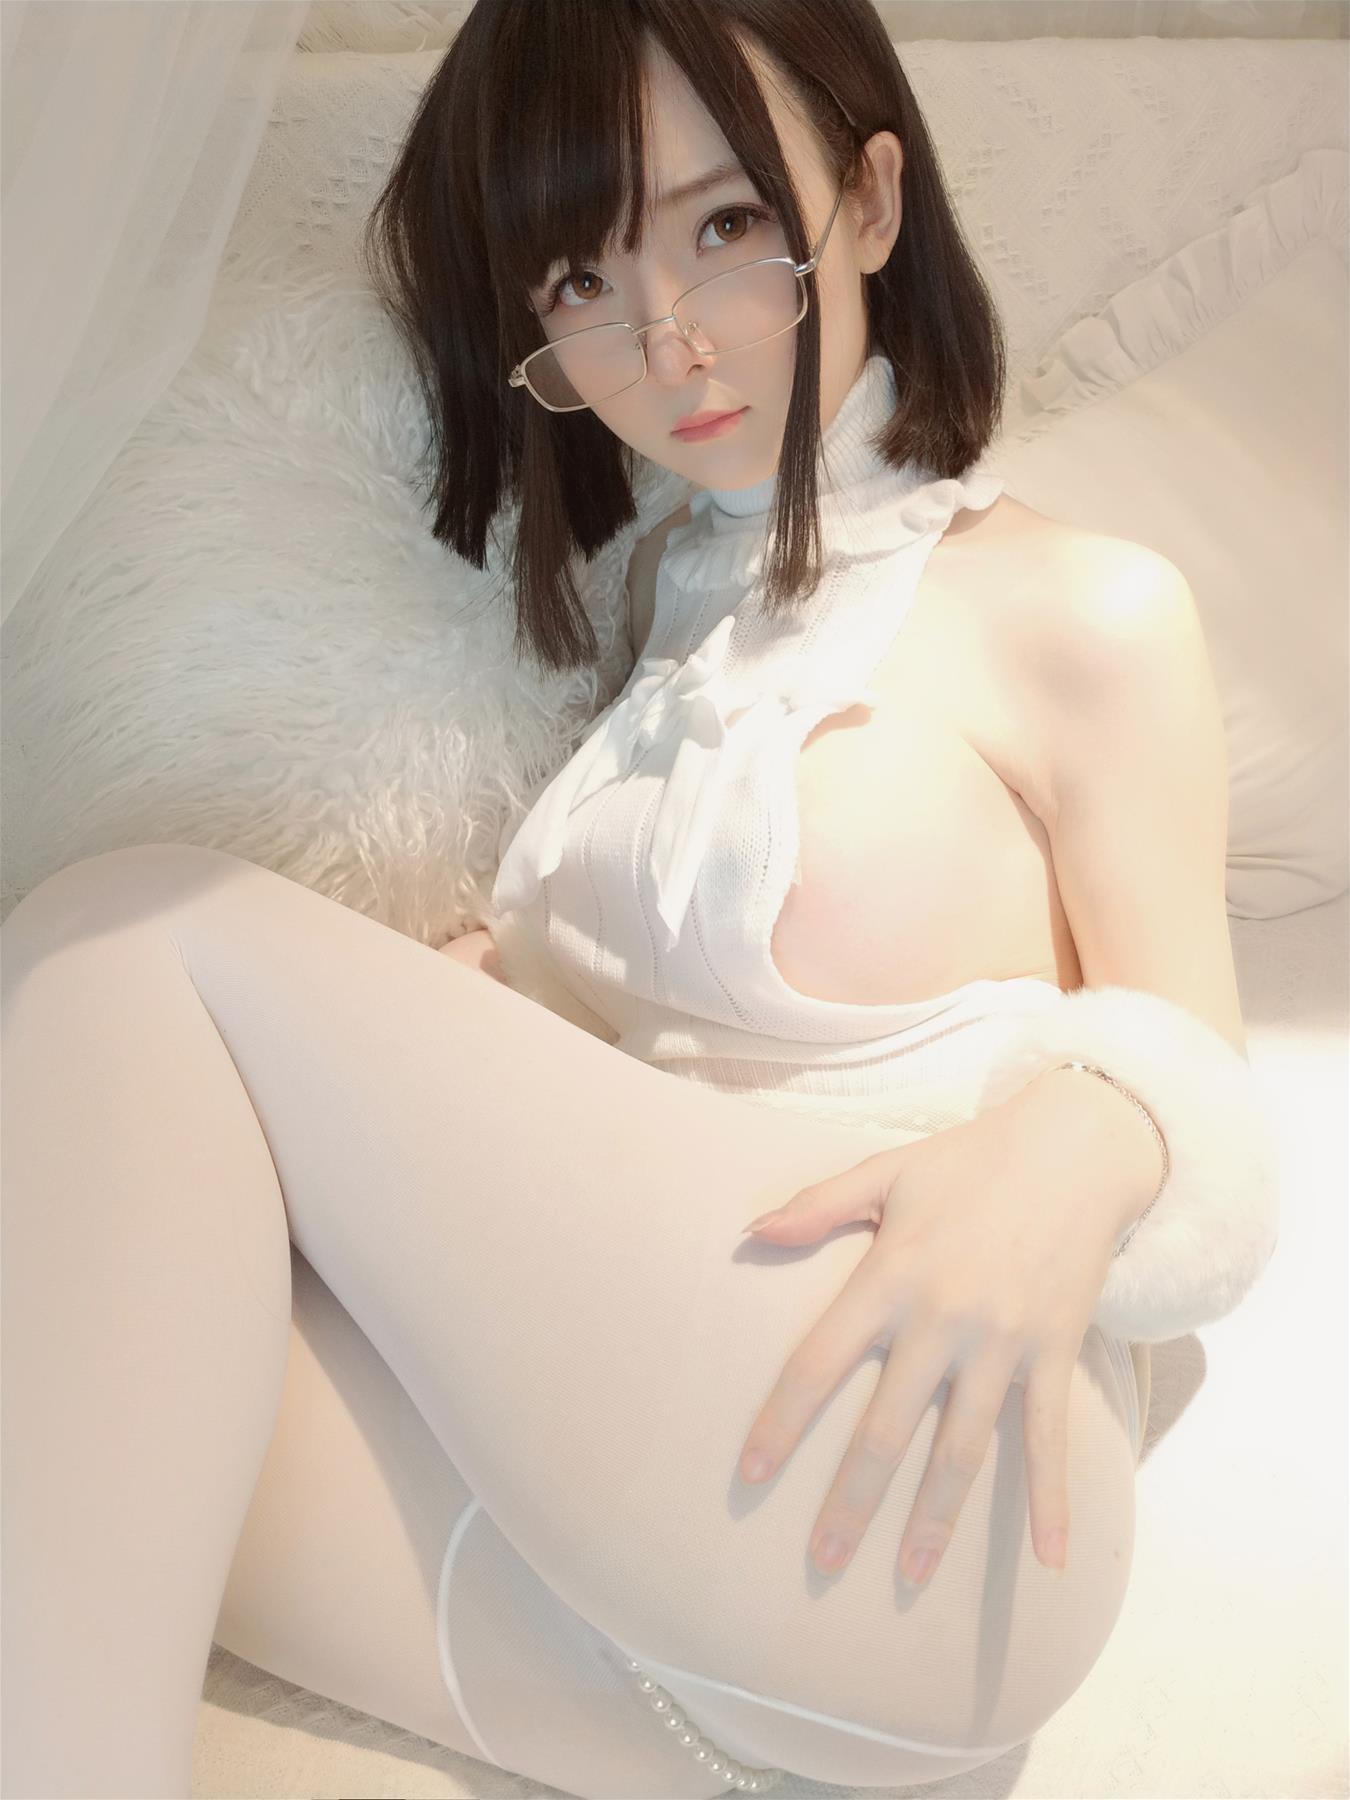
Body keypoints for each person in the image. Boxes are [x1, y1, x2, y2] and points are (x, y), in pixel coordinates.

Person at [11, 1, 1275, 1795]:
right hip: (691, 1582)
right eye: (579, 283)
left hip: (937, 1469)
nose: (666, 339)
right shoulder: (652, 643)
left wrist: (1088, 1134)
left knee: (124, 933)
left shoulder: (1078, 610)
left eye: (724, 225)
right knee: (85, 1318)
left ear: (870, 201)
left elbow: (1205, 1118)